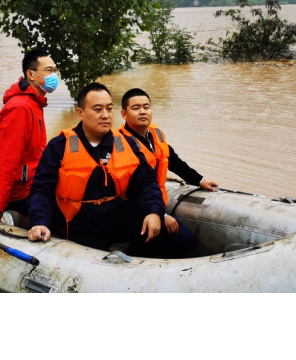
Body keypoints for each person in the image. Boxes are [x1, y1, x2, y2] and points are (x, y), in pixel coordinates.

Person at [27, 83, 191, 257]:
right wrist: (40, 222)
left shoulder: (126, 143)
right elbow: (41, 190)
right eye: (97, 109)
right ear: (80, 113)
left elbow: (147, 183)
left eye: (109, 108)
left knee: (181, 239)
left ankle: (138, 259)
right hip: (77, 224)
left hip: (115, 217)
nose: (105, 115)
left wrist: (154, 212)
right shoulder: (60, 146)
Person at [118, 88, 219, 241]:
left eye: (146, 107)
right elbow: (135, 190)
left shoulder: (154, 134)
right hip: (133, 208)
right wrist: (161, 215)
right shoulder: (120, 144)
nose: (142, 112)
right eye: (136, 108)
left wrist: (200, 180)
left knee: (185, 242)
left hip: (156, 202)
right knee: (184, 242)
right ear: (124, 114)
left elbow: (174, 162)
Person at [0, 48, 57, 224]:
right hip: (22, 191)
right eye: (48, 70)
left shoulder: (35, 102)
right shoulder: (21, 108)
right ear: (31, 75)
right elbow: (5, 159)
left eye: (54, 70)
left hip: (33, 182)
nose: (53, 76)